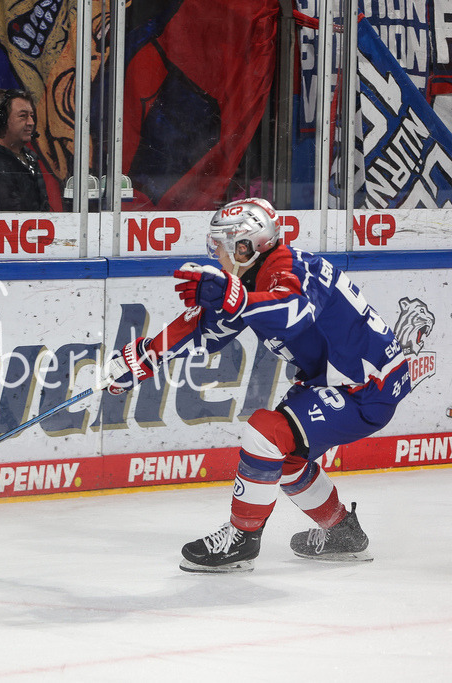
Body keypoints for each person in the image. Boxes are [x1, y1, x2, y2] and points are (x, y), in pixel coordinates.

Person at [103, 198, 411, 572]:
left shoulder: (293, 268)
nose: (215, 253)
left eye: (220, 245)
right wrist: (144, 357)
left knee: (266, 433)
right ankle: (343, 532)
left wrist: (238, 300)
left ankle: (242, 539)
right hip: (342, 381)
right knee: (288, 459)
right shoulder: (251, 279)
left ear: (245, 246)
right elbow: (205, 329)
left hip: (368, 386)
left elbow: (293, 313)